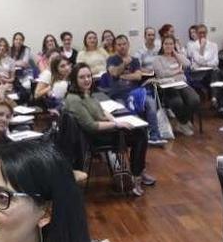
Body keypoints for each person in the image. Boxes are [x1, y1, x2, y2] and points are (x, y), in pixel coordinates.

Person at [65, 63, 155, 196]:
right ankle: (137, 175)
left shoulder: (86, 93)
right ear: (74, 80)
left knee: (140, 130)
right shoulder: (74, 100)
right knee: (140, 135)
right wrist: (117, 125)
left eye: (89, 76)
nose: (87, 80)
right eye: (82, 77)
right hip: (96, 137)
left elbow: (100, 109)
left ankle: (139, 171)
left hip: (105, 128)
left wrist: (113, 119)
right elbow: (91, 126)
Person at [105, 35, 165, 145]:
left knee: (151, 102)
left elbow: (138, 76)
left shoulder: (135, 60)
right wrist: (124, 64)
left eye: (124, 44)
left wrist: (122, 76)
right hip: (118, 95)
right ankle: (134, 140)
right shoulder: (111, 59)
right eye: (119, 45)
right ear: (115, 46)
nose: (122, 47)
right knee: (126, 112)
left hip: (135, 92)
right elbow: (114, 73)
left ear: (128, 45)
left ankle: (154, 135)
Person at [152, 35, 201, 136]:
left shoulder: (177, 56)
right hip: (168, 86)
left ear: (174, 45)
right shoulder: (158, 58)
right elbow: (161, 73)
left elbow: (187, 64)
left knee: (195, 99)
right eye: (166, 44)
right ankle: (184, 123)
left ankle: (182, 122)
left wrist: (175, 53)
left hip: (182, 84)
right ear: (162, 45)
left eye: (171, 44)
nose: (168, 46)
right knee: (177, 102)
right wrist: (177, 71)